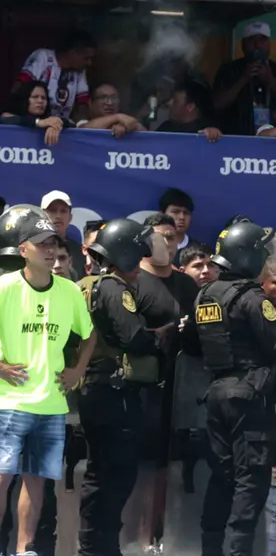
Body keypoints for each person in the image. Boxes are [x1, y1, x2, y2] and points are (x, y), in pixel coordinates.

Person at [194, 221, 276, 556]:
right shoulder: (252, 297)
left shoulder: (205, 294)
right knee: (250, 481)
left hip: (216, 394)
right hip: (249, 397)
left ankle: (211, 549)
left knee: (222, 477)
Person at [0, 207, 96, 556]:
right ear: (22, 250)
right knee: (1, 478)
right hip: (8, 403)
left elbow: (89, 336)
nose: (50, 249)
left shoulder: (69, 291)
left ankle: (25, 549)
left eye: (53, 242)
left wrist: (77, 370)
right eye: (41, 243)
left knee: (36, 480)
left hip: (51, 405)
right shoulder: (4, 287)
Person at [76, 218, 165, 556]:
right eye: (137, 256)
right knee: (117, 476)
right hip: (114, 394)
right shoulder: (113, 288)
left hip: (91, 389)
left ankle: (91, 547)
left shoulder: (83, 284)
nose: (141, 265)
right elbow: (135, 339)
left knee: (98, 474)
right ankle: (103, 547)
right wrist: (159, 338)